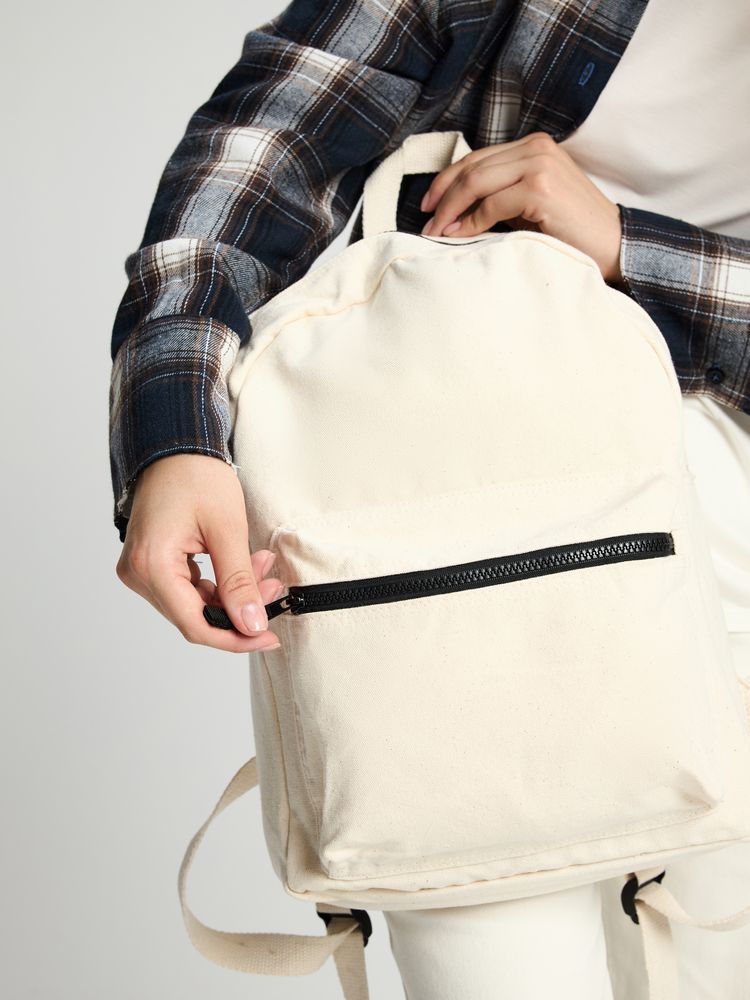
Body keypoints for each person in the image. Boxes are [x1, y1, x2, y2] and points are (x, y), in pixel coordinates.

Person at [110, 1, 750, 996]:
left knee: (716, 958)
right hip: (463, 464)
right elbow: (269, 141)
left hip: (725, 492)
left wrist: (632, 246)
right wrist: (174, 437)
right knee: (483, 942)